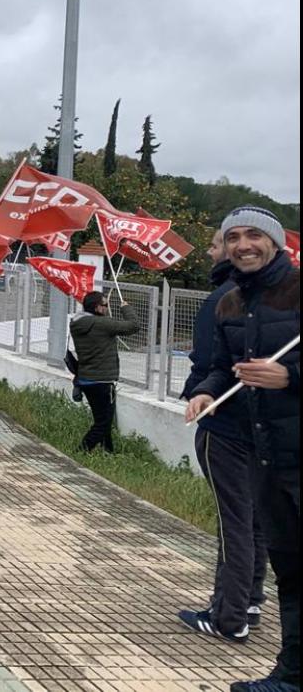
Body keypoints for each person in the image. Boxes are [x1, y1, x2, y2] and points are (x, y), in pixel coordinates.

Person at [186, 207, 299, 689]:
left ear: (274, 242)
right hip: (262, 455)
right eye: (233, 236)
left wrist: (290, 376)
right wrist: (206, 390)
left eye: (254, 234)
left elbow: (283, 371)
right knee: (290, 573)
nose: (242, 244)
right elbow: (222, 365)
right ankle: (290, 675)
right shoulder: (231, 301)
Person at [177, 228, 268, 646]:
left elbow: (209, 360)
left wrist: (200, 394)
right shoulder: (267, 295)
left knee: (234, 521)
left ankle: (229, 615)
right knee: (254, 519)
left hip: (226, 425)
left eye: (215, 246)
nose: (216, 251)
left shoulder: (224, 300)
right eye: (227, 240)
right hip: (259, 427)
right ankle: (249, 599)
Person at [69, 291, 139, 453]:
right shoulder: (102, 324)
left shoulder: (77, 323)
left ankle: (108, 451)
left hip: (86, 380)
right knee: (103, 423)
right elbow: (134, 326)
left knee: (102, 419)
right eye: (105, 305)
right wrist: (126, 308)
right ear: (97, 307)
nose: (107, 308)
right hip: (102, 381)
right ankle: (81, 451)